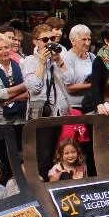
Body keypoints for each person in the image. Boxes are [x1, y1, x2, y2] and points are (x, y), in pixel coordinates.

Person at [22, 23, 77, 176]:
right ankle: (42, 186)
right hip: (41, 114)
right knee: (43, 156)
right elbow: (34, 87)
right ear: (35, 41)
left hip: (59, 112)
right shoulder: (29, 61)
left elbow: (70, 79)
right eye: (45, 39)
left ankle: (54, 182)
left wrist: (59, 61)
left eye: (52, 38)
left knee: (57, 154)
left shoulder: (58, 57)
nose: (49, 42)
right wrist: (41, 63)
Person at [0, 33, 29, 137]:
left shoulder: (22, 65)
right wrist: (24, 86)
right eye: (0, 49)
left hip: (23, 117)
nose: (5, 51)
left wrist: (12, 98)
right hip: (1, 120)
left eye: (6, 47)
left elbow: (32, 91)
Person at [63, 25, 94, 112]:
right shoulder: (67, 58)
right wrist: (91, 85)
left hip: (91, 104)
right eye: (84, 39)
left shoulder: (92, 57)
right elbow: (69, 88)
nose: (87, 43)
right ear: (73, 41)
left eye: (89, 39)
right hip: (74, 107)